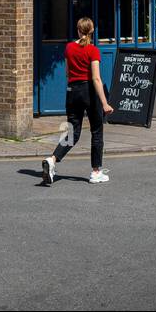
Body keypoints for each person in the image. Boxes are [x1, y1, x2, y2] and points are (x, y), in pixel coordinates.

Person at [42, 17, 113, 186]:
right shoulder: (93, 50)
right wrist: (104, 103)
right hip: (89, 91)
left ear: (78, 30)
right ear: (92, 31)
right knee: (97, 131)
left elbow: (67, 73)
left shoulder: (69, 48)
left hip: (72, 92)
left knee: (72, 132)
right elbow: (96, 78)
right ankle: (96, 172)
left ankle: (52, 159)